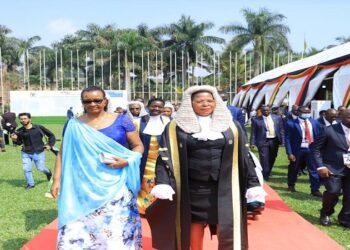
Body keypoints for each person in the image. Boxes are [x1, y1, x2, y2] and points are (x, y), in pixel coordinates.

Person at [146, 85, 262, 250]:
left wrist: (253, 183)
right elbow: (164, 156)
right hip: (192, 187)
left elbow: (244, 155)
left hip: (225, 187)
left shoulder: (232, 126)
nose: (205, 104)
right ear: (190, 103)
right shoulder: (174, 127)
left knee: (228, 222)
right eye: (199, 101)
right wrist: (163, 181)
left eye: (209, 100)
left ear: (216, 102)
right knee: (194, 222)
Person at [51, 86, 144, 249]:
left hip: (117, 184)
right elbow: (62, 153)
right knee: (80, 226)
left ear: (105, 101)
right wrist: (56, 180)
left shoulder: (122, 120)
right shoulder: (73, 125)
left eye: (97, 100)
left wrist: (127, 161)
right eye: (87, 101)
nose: (92, 104)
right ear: (82, 103)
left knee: (115, 226)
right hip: (82, 186)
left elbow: (138, 146)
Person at [312, 109, 350, 228]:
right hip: (332, 168)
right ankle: (325, 213)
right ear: (341, 117)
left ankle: (345, 218)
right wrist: (321, 166)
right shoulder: (329, 130)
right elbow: (316, 149)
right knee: (333, 191)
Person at [134, 97, 170, 215]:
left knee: (157, 182)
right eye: (154, 106)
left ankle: (154, 207)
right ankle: (141, 208)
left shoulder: (168, 121)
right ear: (148, 107)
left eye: (160, 107)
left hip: (160, 159)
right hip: (143, 159)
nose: (156, 109)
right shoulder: (138, 122)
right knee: (142, 182)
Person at [10, 113, 55, 189]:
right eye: (21, 119)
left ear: (29, 119)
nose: (23, 120)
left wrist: (49, 145)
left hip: (39, 152)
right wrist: (14, 140)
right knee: (26, 168)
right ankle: (31, 184)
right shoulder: (19, 131)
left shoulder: (38, 127)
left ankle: (48, 172)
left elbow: (51, 136)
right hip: (25, 152)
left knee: (40, 168)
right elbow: (19, 142)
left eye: (25, 118)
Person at [285, 106, 322, 196]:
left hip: (311, 149)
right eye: (304, 112)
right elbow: (288, 139)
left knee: (313, 169)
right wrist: (289, 153)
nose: (307, 114)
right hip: (297, 150)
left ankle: (315, 189)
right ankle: (291, 184)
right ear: (298, 113)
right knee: (294, 168)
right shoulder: (291, 123)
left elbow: (319, 136)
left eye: (308, 112)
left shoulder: (315, 122)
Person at [250, 105, 284, 180]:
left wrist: (283, 140)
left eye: (267, 110)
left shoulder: (277, 118)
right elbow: (253, 132)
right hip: (263, 141)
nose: (266, 112)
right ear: (261, 111)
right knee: (264, 158)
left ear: (270, 110)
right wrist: (252, 143)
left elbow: (281, 129)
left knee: (272, 157)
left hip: (274, 141)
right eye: (264, 110)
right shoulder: (256, 120)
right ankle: (265, 175)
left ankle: (268, 171)